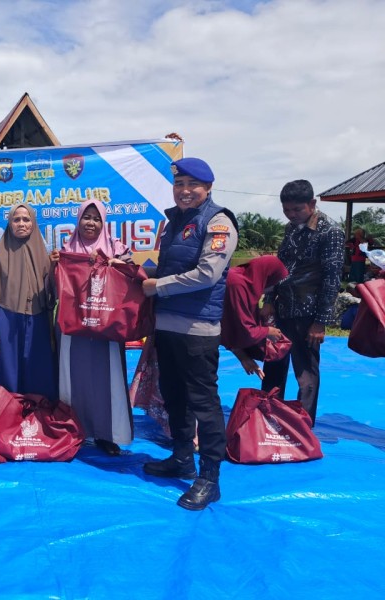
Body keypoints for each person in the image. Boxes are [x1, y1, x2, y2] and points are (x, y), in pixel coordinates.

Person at [141, 157, 238, 511]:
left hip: (198, 329)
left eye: (192, 185)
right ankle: (182, 458)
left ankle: (210, 478)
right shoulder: (173, 224)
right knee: (174, 397)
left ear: (208, 188)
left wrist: (157, 287)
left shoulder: (218, 222)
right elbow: (167, 266)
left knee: (204, 403)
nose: (184, 191)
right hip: (167, 326)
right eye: (179, 184)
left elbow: (208, 274)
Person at [49, 199, 134, 456]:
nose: (91, 223)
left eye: (97, 218)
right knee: (71, 378)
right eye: (86, 217)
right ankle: (74, 430)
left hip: (106, 328)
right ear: (78, 220)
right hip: (72, 327)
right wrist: (53, 266)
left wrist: (118, 267)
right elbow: (54, 291)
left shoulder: (118, 250)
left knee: (108, 380)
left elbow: (130, 283)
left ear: (104, 222)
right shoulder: (65, 250)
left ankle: (107, 434)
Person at [261, 180, 344, 426]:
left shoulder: (331, 232)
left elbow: (332, 279)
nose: (292, 214)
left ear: (312, 204)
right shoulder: (291, 228)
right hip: (283, 306)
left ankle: (302, 425)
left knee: (305, 371)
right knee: (274, 361)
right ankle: (268, 414)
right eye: (287, 210)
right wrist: (269, 300)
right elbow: (278, 266)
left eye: (297, 210)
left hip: (308, 312)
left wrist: (320, 322)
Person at [0, 203, 56, 420]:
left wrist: (50, 335)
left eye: (26, 219)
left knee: (37, 372)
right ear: (10, 223)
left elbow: (51, 300)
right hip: (6, 321)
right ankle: (1, 418)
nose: (21, 224)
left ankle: (37, 418)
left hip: (37, 320)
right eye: (16, 219)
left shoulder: (45, 256)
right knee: (5, 372)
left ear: (33, 223)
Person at [221, 256, 289, 379]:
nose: (271, 288)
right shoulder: (237, 284)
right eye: (274, 283)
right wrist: (267, 331)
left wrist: (243, 357)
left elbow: (229, 326)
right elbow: (244, 329)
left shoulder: (246, 284)